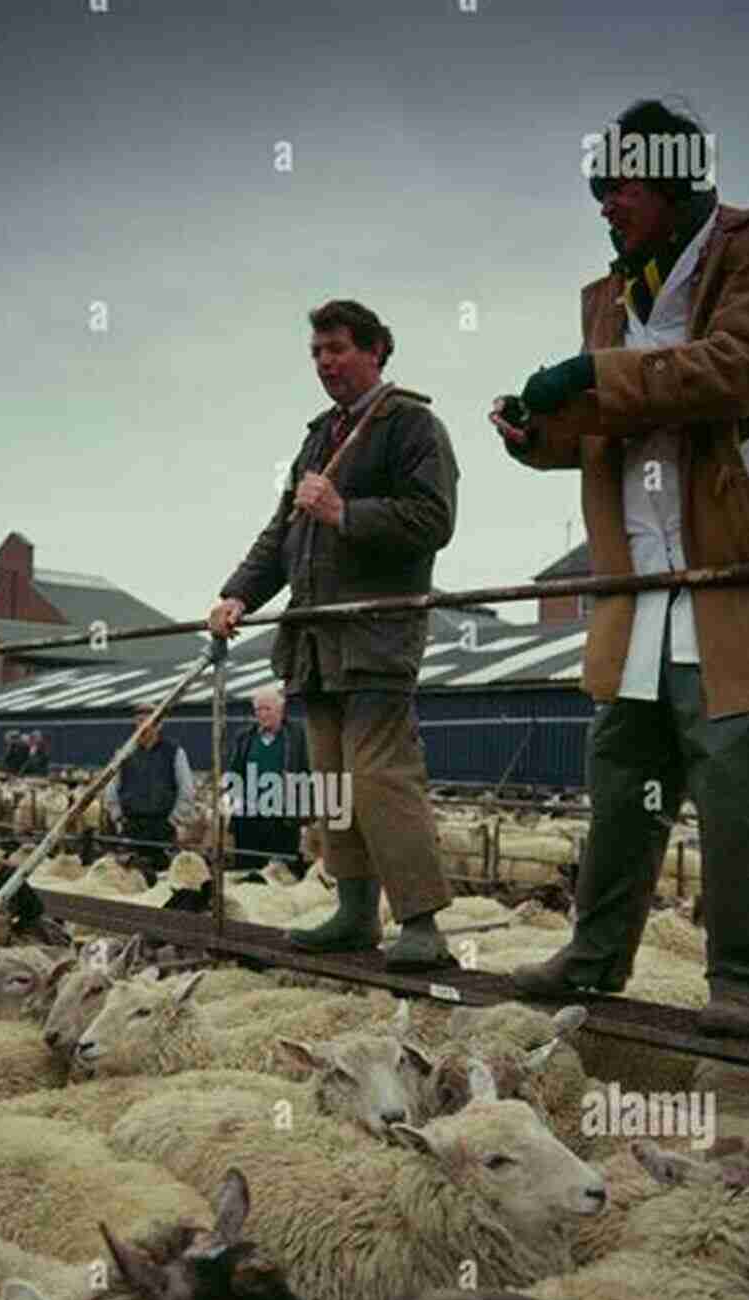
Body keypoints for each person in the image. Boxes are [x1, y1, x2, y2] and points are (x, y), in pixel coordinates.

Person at [491, 98, 749, 1035]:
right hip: (642, 584)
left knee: (739, 796)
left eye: (618, 185)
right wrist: (535, 433)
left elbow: (734, 372)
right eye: (598, 188)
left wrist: (588, 379)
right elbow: (605, 428)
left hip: (742, 576)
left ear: (673, 178)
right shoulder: (610, 295)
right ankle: (594, 955)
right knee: (623, 782)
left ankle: (740, 981)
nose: (604, 205)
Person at [208, 298, 458, 968]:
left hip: (375, 635)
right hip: (314, 639)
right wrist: (237, 592)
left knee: (381, 777)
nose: (326, 363)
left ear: (377, 349)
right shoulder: (318, 437)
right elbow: (282, 532)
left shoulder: (411, 425)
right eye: (317, 353)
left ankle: (421, 921)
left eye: (339, 349)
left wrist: (346, 511)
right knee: (331, 781)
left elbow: (433, 519)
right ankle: (353, 911)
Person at [225, 685, 311, 874]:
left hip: (283, 819)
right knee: (247, 872)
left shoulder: (297, 735)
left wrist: (306, 816)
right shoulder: (245, 738)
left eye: (267, 709)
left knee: (283, 874)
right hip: (249, 819)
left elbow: (307, 773)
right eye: (258, 710)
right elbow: (233, 774)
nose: (262, 714)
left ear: (281, 710)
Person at [104, 705, 197, 867]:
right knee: (130, 875)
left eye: (149, 721)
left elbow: (186, 789)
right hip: (131, 826)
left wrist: (174, 820)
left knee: (161, 875)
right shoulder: (124, 753)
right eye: (139, 721)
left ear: (159, 725)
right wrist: (118, 817)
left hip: (162, 826)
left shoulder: (174, 752)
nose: (144, 726)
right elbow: (111, 787)